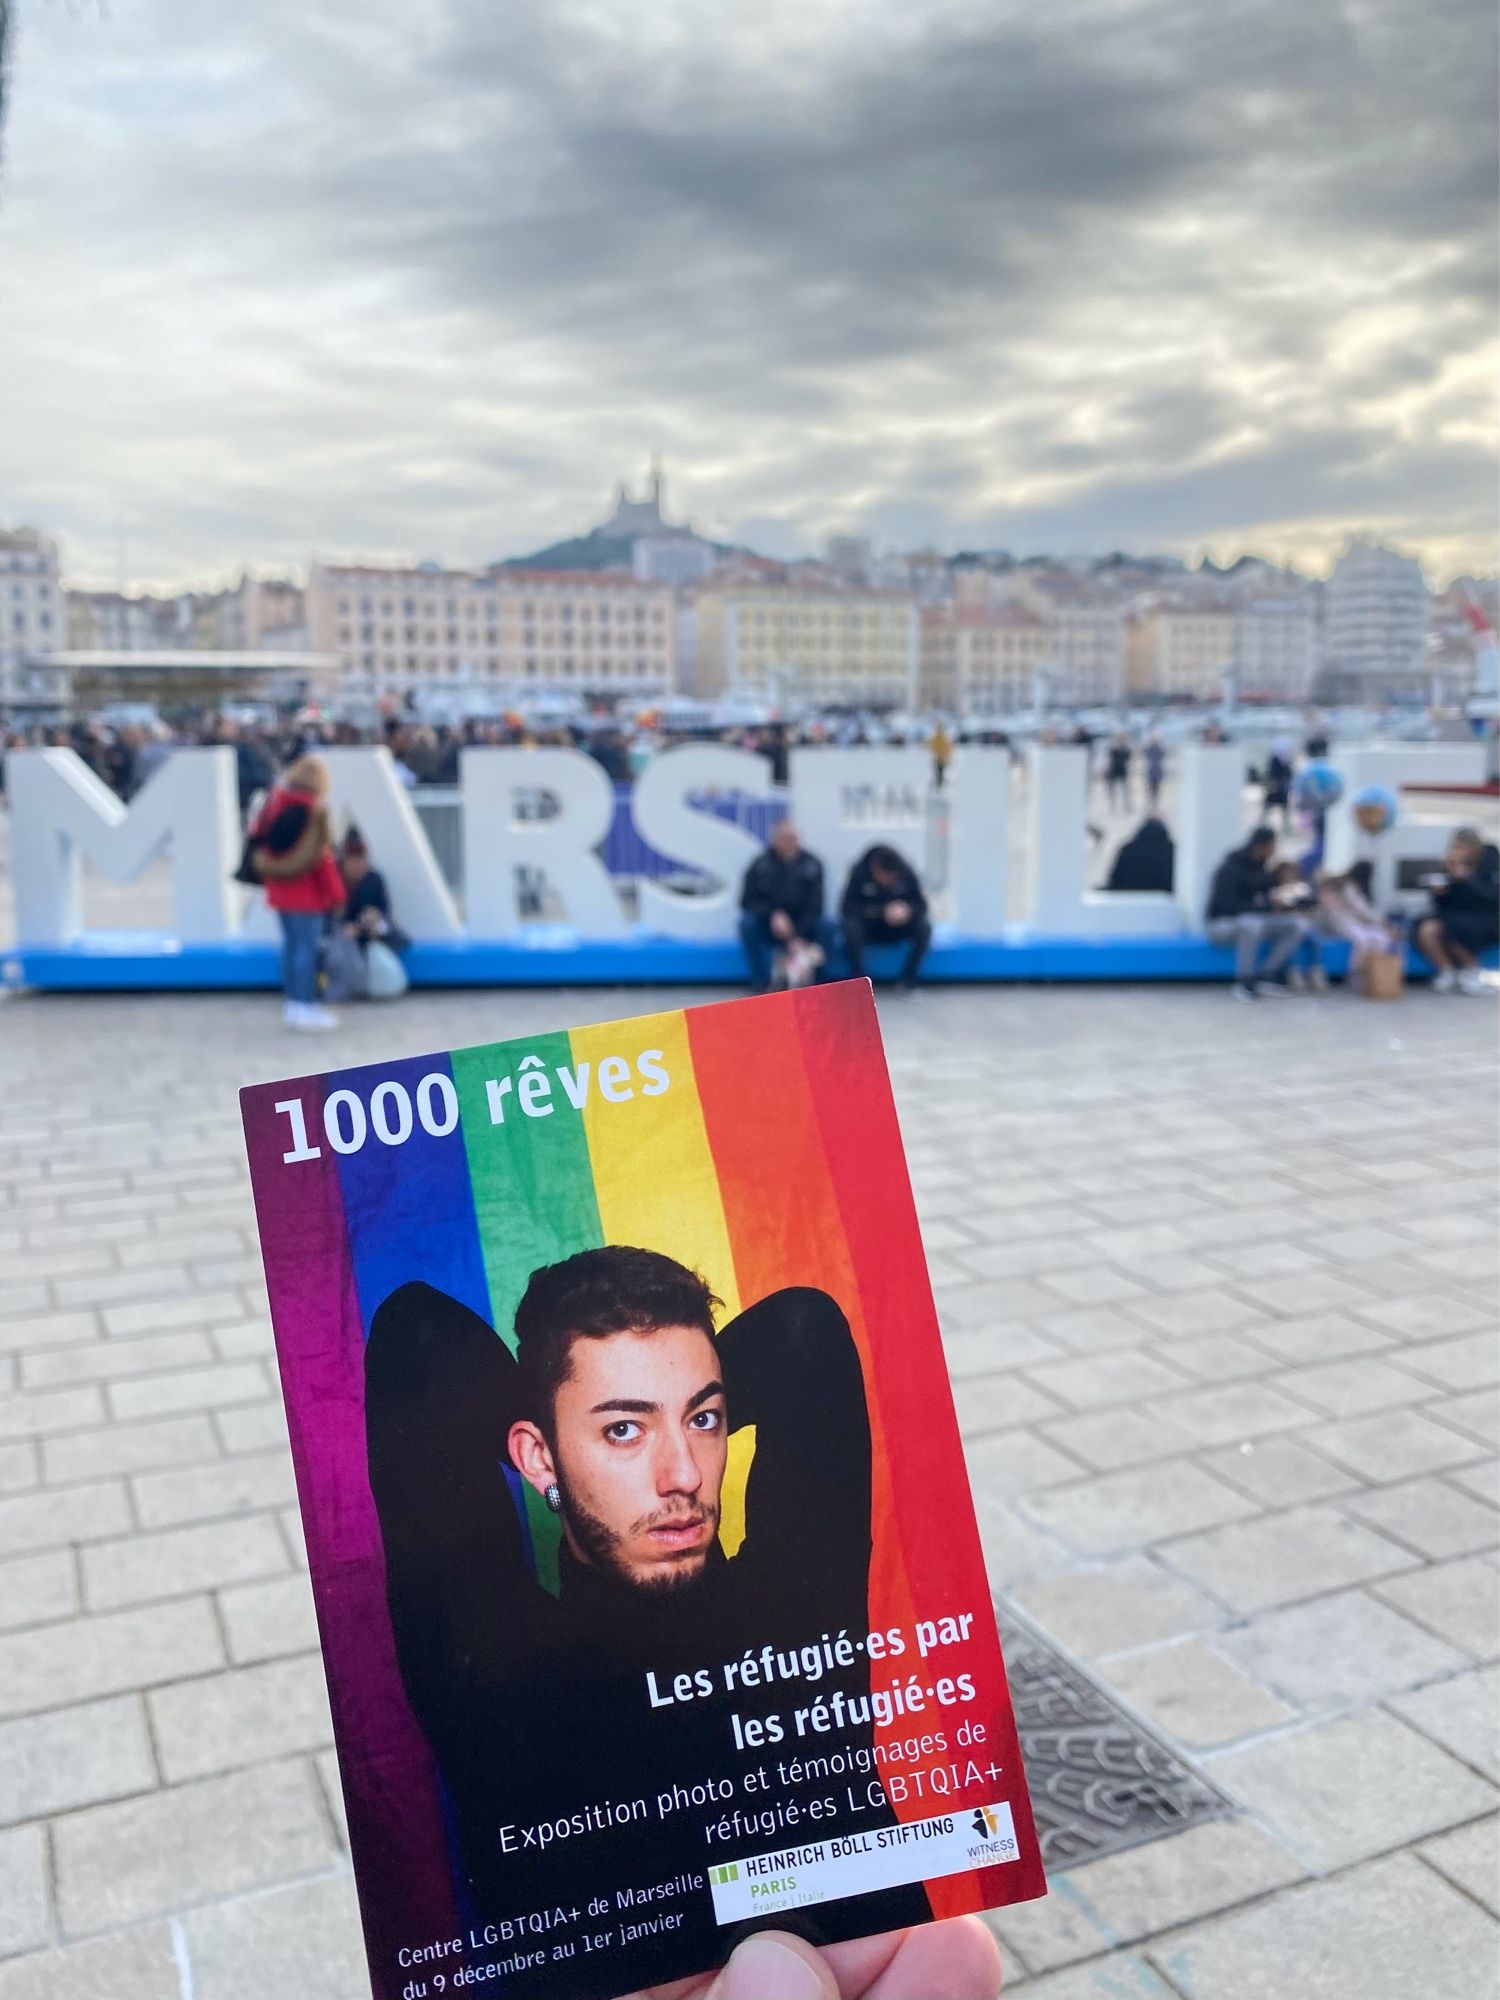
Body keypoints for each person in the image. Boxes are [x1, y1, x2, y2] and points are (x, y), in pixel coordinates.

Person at [365, 1249, 938, 1999]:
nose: (686, 1476)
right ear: (535, 1455)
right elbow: (419, 1341)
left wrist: (602, 1408)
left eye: (705, 1418)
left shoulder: (794, 1613)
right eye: (624, 1432)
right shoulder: (496, 1662)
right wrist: (563, 1404)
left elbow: (805, 1333)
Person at [246, 753, 344, 1030]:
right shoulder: (315, 812)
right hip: (307, 894)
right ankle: (306, 1005)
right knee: (306, 951)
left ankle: (292, 1004)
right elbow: (321, 859)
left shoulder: (276, 803)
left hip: (279, 890)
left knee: (290, 949)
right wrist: (337, 894)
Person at [1206, 826, 1317, 1000]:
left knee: (1297, 924)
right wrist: (1264, 906)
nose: (1274, 851)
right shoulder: (1230, 868)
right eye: (1273, 846)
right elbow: (1227, 906)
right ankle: (1245, 981)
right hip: (1222, 924)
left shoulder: (1261, 869)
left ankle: (1267, 975)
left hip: (1255, 920)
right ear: (1262, 846)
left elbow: (1268, 899)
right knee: (1251, 923)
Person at [738, 820, 836, 992]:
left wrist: (797, 935)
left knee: (827, 925)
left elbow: (816, 904)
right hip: (770, 926)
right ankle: (760, 980)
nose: (789, 842)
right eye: (784, 837)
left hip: (803, 925)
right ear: (774, 839)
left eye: (793, 837)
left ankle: (820, 981)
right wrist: (772, 915)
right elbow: (747, 901)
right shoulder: (760, 864)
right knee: (747, 924)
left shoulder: (812, 864)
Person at [1414, 829, 1500, 995]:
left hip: (1483, 916)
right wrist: (1440, 892)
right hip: (1452, 913)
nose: (1458, 851)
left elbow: (1491, 895)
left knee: (1454, 929)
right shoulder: (1450, 865)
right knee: (1427, 930)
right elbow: (1444, 901)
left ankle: (1472, 971)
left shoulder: (1489, 861)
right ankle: (1446, 970)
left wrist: (1466, 878)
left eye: (1462, 847)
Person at [840, 844, 931, 990]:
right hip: (871, 926)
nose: (888, 882)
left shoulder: (906, 871)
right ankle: (861, 979)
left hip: (899, 926)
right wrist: (881, 912)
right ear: (874, 869)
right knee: (851, 927)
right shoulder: (859, 872)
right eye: (884, 877)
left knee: (924, 927)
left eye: (892, 878)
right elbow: (847, 908)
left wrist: (907, 910)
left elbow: (921, 905)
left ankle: (909, 978)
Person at [1318, 861, 1396, 992]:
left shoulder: (1342, 884)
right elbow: (1361, 909)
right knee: (1364, 940)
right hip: (1345, 923)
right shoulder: (1348, 886)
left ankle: (1370, 975)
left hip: (1354, 923)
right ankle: (1358, 975)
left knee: (1380, 938)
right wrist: (1383, 923)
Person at [1105, 816, 1173, 893]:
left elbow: (1115, 878)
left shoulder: (1128, 849)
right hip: (1165, 896)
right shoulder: (1173, 850)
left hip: (1129, 895)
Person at [1262, 738, 1294, 828]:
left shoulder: (1286, 761)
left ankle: (1287, 829)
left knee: (1285, 812)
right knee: (1267, 810)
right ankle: (1262, 826)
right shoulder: (1274, 761)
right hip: (1274, 790)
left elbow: (1289, 774)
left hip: (1283, 791)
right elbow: (1270, 775)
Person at [1103, 734, 1132, 813]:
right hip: (1113, 771)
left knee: (1125, 789)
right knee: (1112, 790)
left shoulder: (1125, 749)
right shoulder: (1112, 749)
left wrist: (1123, 749)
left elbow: (1128, 757)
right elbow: (1108, 759)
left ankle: (1126, 806)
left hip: (1123, 771)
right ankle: (1112, 806)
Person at [1143, 735, 1166, 808]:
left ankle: (1155, 803)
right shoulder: (1149, 749)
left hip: (1157, 771)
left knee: (1156, 789)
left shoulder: (1159, 750)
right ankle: (1150, 803)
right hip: (1150, 772)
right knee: (1150, 789)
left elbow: (1162, 755)